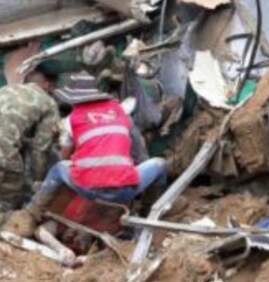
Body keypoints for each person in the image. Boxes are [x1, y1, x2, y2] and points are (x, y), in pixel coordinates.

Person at [27, 72, 167, 218]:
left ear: (73, 99)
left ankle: (32, 211)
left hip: (87, 189)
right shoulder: (119, 112)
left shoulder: (71, 120)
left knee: (58, 168)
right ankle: (149, 211)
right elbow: (134, 145)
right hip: (125, 190)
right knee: (160, 164)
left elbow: (65, 154)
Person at [0, 68, 60, 217]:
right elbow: (41, 148)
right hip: (1, 153)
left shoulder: (5, 90)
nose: (53, 91)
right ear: (46, 84)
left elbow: (0, 120)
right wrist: (38, 180)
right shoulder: (48, 103)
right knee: (11, 200)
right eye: (53, 87)